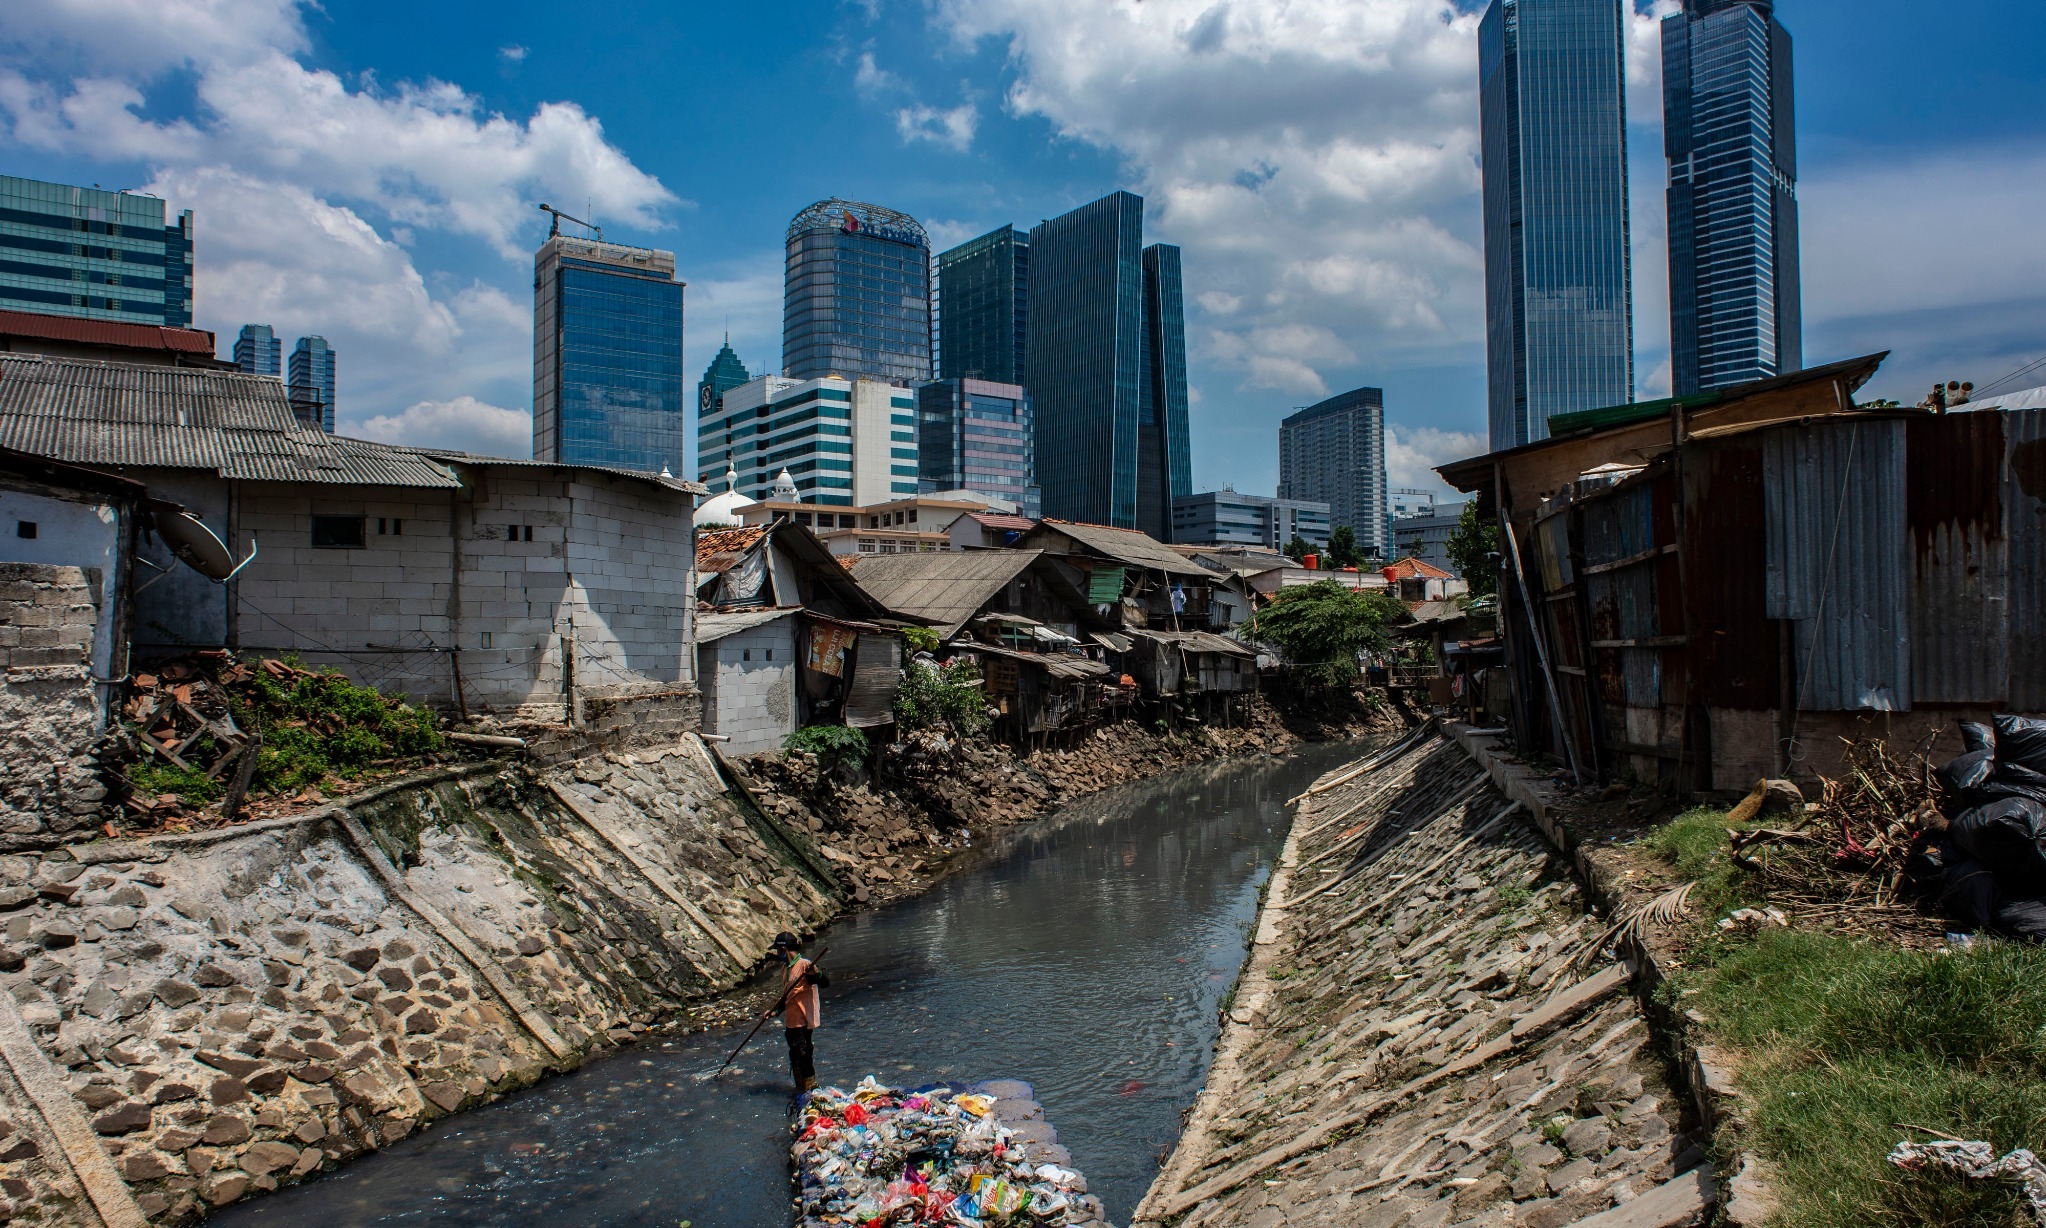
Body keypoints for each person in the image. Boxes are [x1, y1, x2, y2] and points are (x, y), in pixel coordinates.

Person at [766, 931, 827, 1091]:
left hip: (803, 1019)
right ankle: (800, 1088)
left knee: (803, 1053)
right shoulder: (785, 969)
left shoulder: (805, 966)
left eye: (778, 950)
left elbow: (823, 982)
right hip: (791, 1020)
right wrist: (775, 1011)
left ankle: (810, 1088)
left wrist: (816, 974)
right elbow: (788, 996)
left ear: (784, 949)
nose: (777, 954)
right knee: (795, 1055)